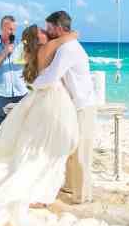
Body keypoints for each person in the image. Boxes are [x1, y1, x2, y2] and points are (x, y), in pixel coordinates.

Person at [0, 24, 80, 226]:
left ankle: (37, 193)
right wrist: (67, 33)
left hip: (43, 100)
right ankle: (37, 192)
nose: (44, 32)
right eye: (41, 31)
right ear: (36, 37)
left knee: (39, 148)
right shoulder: (46, 48)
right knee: (45, 148)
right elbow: (69, 37)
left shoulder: (33, 52)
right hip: (52, 101)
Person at [33, 11, 96, 204]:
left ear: (59, 28)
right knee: (70, 147)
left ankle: (83, 195)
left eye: (50, 28)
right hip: (74, 104)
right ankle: (70, 186)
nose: (48, 31)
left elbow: (52, 75)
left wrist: (32, 85)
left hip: (82, 105)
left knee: (81, 152)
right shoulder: (65, 46)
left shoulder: (68, 48)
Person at [0, 15, 28, 163]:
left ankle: (17, 158)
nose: (12, 31)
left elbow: (26, 65)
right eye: (10, 29)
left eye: (14, 29)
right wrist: (4, 52)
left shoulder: (21, 45)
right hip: (1, 93)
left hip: (21, 92)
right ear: (2, 28)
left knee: (21, 128)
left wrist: (28, 56)